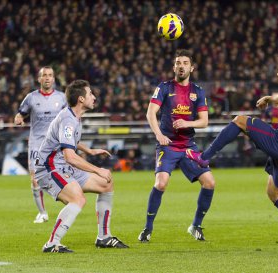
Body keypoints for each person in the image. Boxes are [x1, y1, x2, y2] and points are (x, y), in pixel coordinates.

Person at [187, 59, 278, 246]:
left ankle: (204, 158)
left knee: (240, 120)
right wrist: (271, 99)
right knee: (274, 193)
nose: (277, 74)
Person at [35, 80, 128, 253]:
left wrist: (89, 150)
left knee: (106, 183)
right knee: (78, 199)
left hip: (62, 166)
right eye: (90, 93)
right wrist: (97, 168)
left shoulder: (73, 117)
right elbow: (70, 156)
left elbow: (69, 141)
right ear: (80, 99)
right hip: (49, 168)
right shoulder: (69, 120)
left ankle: (104, 237)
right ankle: (51, 244)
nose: (94, 97)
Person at [138, 49, 216, 242]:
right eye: (178, 63)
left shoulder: (197, 91)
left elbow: (204, 121)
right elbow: (150, 113)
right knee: (161, 183)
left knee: (210, 183)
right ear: (174, 67)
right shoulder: (164, 87)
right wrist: (159, 135)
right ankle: (147, 229)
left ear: (192, 67)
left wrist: (187, 123)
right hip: (168, 146)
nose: (181, 66)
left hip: (189, 146)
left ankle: (196, 226)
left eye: (185, 63)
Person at [14, 66, 67, 224]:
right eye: (44, 75)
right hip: (37, 143)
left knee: (63, 174)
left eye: (50, 75)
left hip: (56, 143)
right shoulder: (31, 98)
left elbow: (70, 116)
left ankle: (71, 201)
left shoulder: (62, 98)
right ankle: (42, 213)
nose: (47, 78)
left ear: (54, 78)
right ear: (39, 79)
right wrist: (18, 118)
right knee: (35, 179)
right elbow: (20, 113)